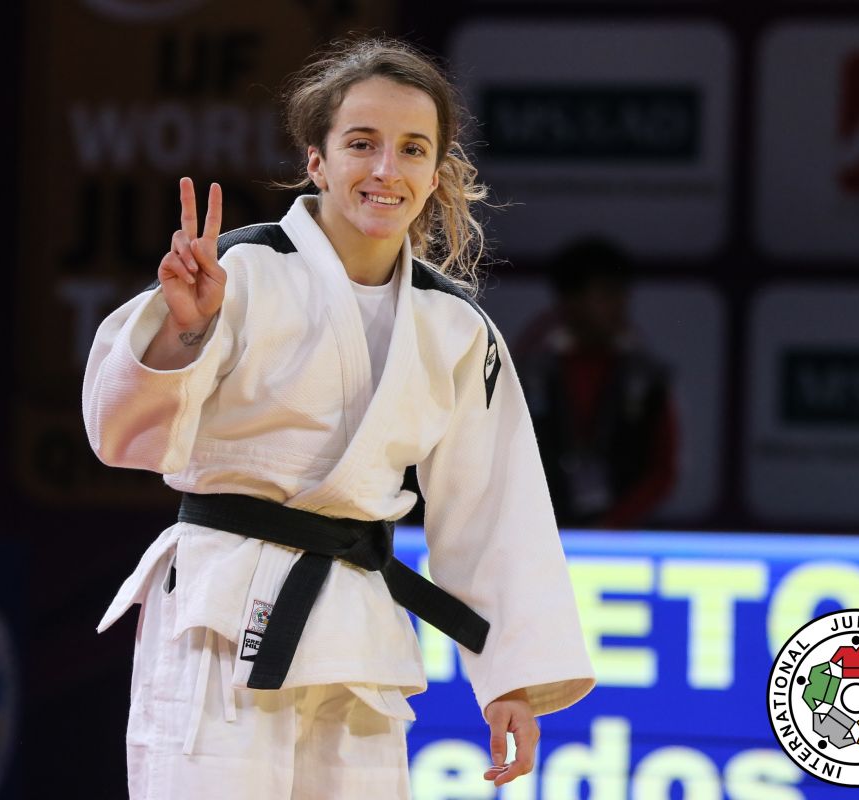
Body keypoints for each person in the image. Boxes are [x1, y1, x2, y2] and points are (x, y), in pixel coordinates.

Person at [83, 38, 594, 799]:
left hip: (359, 633)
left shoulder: (454, 327)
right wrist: (185, 332)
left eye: (412, 149)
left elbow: (495, 507)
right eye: (361, 143)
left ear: (435, 173)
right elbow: (123, 436)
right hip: (222, 613)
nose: (386, 169)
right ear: (317, 162)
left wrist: (510, 679)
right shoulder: (237, 273)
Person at [516, 237, 678, 529]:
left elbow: (663, 469)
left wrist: (613, 524)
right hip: (537, 533)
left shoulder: (647, 377)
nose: (620, 305)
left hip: (623, 539)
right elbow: (505, 459)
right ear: (571, 300)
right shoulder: (526, 375)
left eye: (623, 293)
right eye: (607, 294)